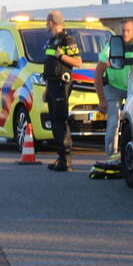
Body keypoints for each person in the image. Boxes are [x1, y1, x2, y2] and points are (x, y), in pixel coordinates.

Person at [90, 19, 133, 177]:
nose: (125, 33)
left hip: (132, 88)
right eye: (123, 30)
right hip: (113, 87)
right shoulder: (112, 46)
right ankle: (111, 157)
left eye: (128, 30)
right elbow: (97, 73)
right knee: (113, 123)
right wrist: (101, 100)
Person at [42, 10, 82, 171]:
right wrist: (46, 89)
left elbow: (78, 62)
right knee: (54, 121)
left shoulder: (67, 40)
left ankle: (67, 160)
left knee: (60, 121)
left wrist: (61, 57)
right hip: (51, 85)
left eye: (47, 21)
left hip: (61, 85)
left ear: (52, 22)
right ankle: (60, 158)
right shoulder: (52, 41)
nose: (46, 24)